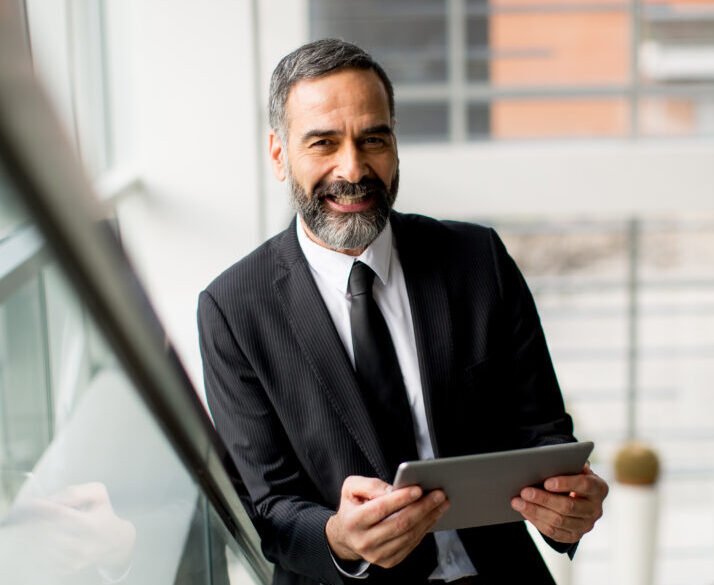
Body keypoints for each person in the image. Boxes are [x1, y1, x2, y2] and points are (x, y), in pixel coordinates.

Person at [198, 39, 608, 585]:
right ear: (279, 155)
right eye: (323, 143)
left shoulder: (477, 260)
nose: (353, 167)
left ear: (395, 145)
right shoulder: (232, 310)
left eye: (373, 138)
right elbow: (267, 508)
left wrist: (568, 506)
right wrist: (337, 539)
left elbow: (544, 432)